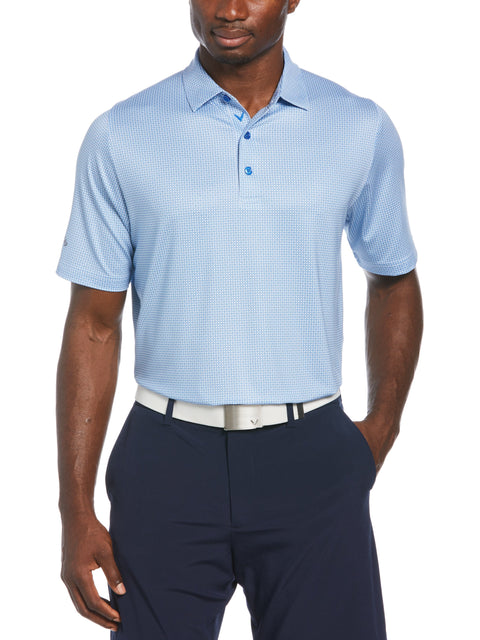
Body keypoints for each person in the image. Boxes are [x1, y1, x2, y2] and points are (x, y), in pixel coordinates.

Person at [56, 0, 423, 638]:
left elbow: (393, 278)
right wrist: (74, 509)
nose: (228, 9)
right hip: (165, 461)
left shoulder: (358, 127)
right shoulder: (121, 134)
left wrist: (381, 428)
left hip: (311, 457)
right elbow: (93, 325)